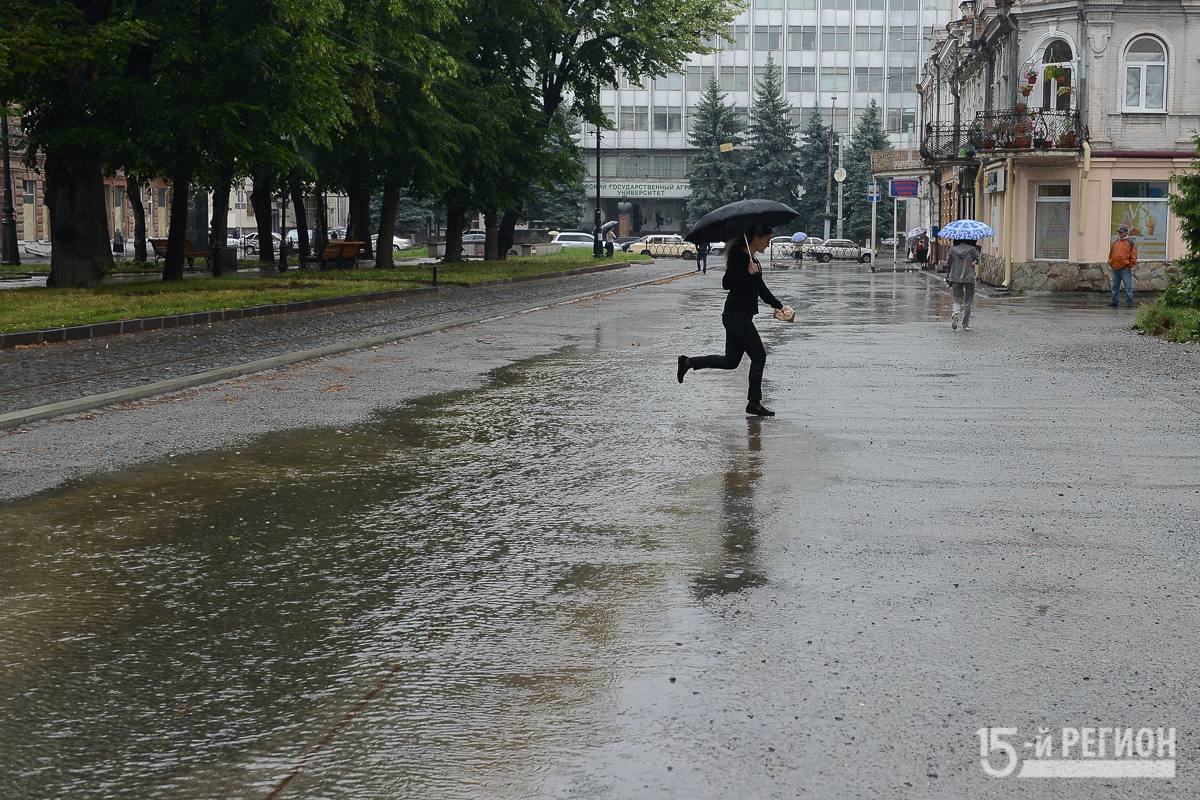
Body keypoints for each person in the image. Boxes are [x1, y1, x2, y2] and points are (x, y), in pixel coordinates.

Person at [677, 223, 786, 417]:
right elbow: (727, 283)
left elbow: (760, 288)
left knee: (731, 361)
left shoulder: (752, 259)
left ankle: (689, 362)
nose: (768, 244)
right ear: (756, 238)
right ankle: (754, 403)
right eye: (767, 240)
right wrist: (747, 273)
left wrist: (778, 305)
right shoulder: (739, 258)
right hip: (736, 317)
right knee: (759, 356)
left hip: (739, 316)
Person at [946, 238, 980, 330]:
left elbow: (948, 262)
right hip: (969, 277)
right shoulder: (972, 249)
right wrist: (973, 262)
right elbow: (977, 259)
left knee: (957, 299)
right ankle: (965, 324)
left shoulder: (953, 249)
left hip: (955, 277)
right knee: (968, 301)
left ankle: (956, 313)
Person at [1108, 225, 1137, 308]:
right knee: (1114, 287)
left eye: (1121, 232)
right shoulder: (1115, 242)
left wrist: (1129, 265)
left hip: (1125, 269)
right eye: (1119, 232)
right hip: (1115, 268)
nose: (1120, 233)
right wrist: (1111, 263)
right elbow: (1111, 254)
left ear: (1126, 233)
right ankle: (1115, 302)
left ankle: (1130, 303)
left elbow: (1133, 256)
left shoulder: (1130, 243)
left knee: (1128, 287)